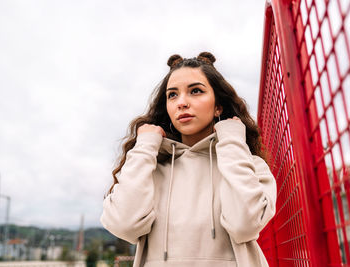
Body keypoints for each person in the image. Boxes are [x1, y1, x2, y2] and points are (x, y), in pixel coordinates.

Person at [100, 52, 277, 267]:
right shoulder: (151, 168)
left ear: (218, 106)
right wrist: (144, 147)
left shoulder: (250, 165)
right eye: (172, 95)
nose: (182, 103)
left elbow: (244, 224)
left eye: (195, 91)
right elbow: (123, 225)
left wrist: (231, 140)